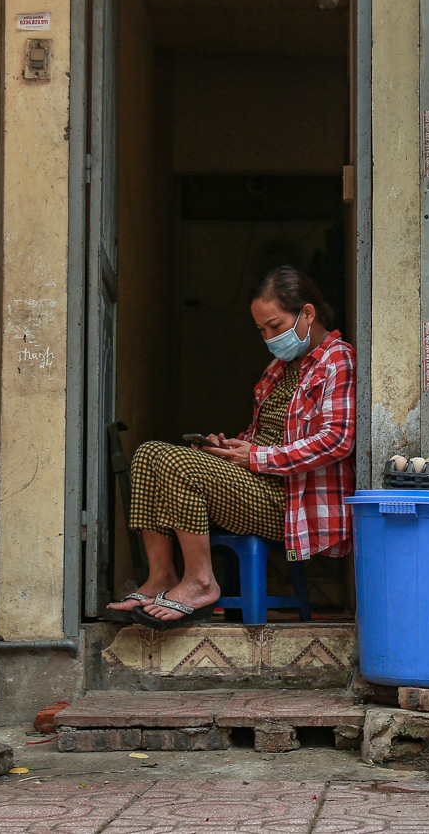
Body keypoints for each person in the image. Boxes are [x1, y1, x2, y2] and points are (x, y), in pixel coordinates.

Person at [104, 266, 356, 629]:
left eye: (275, 325)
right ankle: (161, 578)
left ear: (308, 313)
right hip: (254, 483)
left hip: (289, 501)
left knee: (178, 463)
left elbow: (337, 441)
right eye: (262, 331)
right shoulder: (277, 369)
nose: (270, 337)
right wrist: (233, 448)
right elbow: (262, 434)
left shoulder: (338, 360)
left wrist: (253, 456)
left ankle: (201, 583)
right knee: (148, 454)